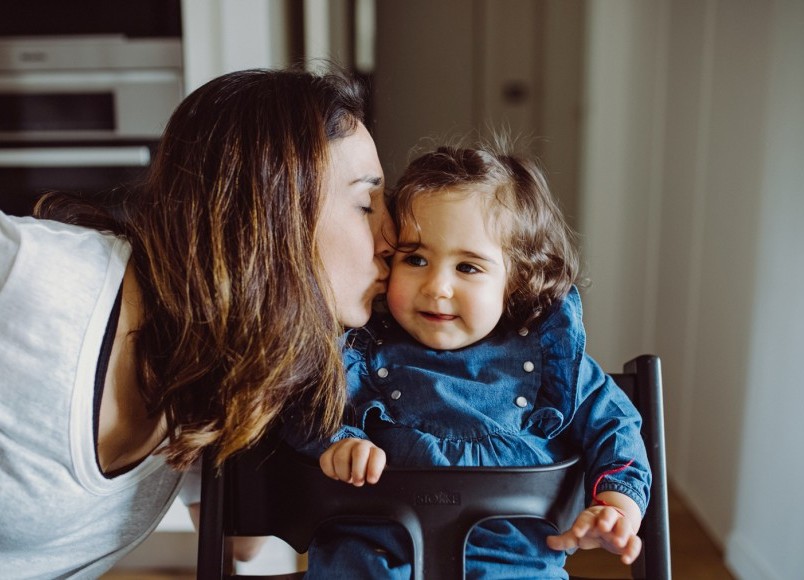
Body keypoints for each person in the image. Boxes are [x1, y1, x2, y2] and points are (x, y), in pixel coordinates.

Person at [0, 66, 394, 578]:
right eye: (367, 203)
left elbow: (243, 545)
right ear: (272, 205)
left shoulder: (214, 374)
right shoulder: (32, 278)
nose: (393, 238)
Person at [297, 144, 651, 579]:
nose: (437, 286)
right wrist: (339, 441)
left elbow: (616, 429)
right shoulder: (361, 351)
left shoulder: (552, 364)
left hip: (514, 567)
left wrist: (618, 505)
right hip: (378, 561)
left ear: (516, 279)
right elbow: (302, 404)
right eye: (417, 259)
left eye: (468, 268)